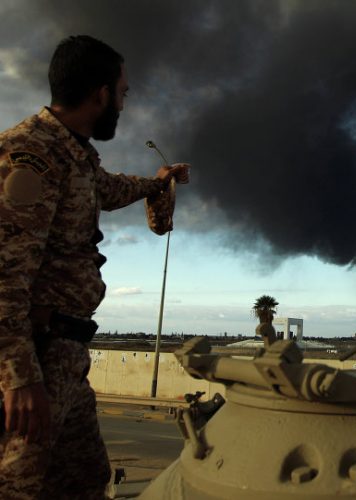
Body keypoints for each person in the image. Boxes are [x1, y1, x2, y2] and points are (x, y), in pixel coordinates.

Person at [0, 35, 190, 498]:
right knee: (17, 485)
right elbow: (5, 273)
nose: (122, 105)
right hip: (36, 357)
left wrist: (156, 184)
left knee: (84, 480)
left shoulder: (75, 155)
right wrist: (19, 377)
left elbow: (107, 188)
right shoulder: (31, 154)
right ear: (101, 94)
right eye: (122, 93)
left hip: (66, 355)